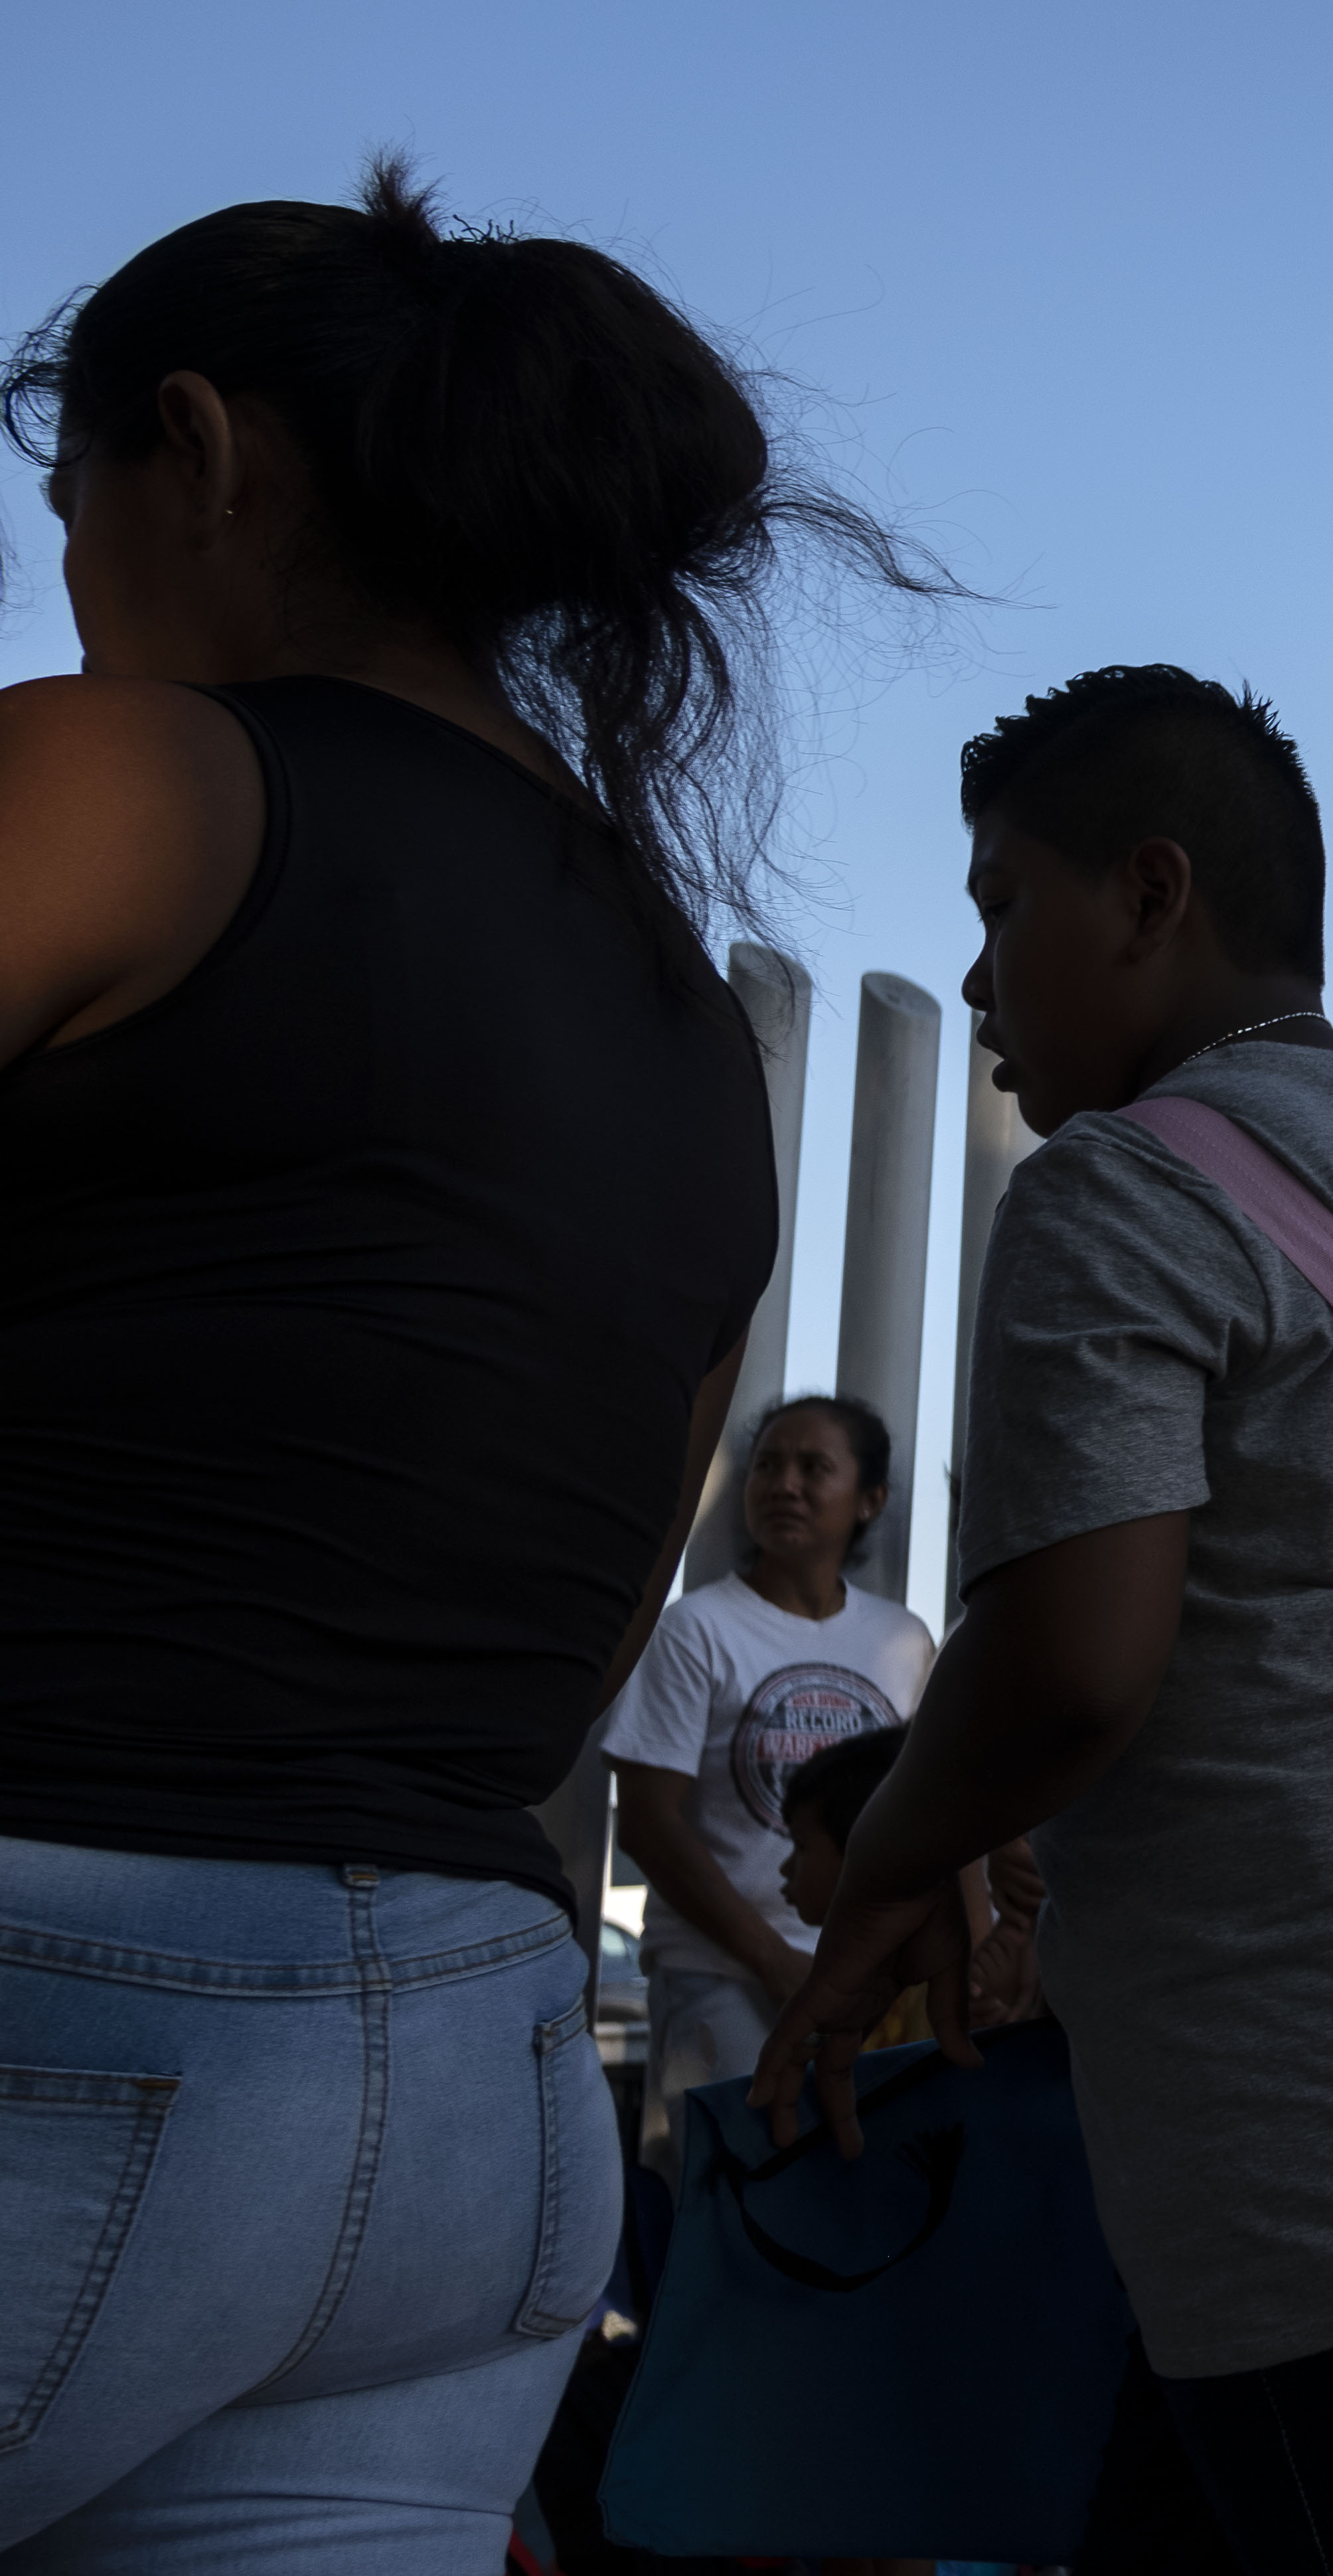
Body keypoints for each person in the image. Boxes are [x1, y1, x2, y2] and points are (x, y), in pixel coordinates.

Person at [0, 157, 941, 2563]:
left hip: (73, 1970)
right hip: (467, 2072)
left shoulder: (125, 783)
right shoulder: (670, 1001)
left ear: (198, 452)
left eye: (66, 498)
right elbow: (610, 1588)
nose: (67, 576)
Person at [748, 664, 1333, 2573]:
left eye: (999, 903)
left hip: (1309, 2153)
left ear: (1148, 897)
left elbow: (1072, 1666)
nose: (977, 980)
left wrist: (885, 1868)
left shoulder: (1120, 1188)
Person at [600, 1395, 936, 2173]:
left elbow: (926, 1815)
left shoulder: (903, 1640)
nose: (784, 1483)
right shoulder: (696, 1628)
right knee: (728, 2211)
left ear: (870, 1498)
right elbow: (649, 1823)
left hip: (866, 1987)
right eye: (768, 1465)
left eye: (814, 1467)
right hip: (720, 1978)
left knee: (855, 2204)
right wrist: (774, 1960)